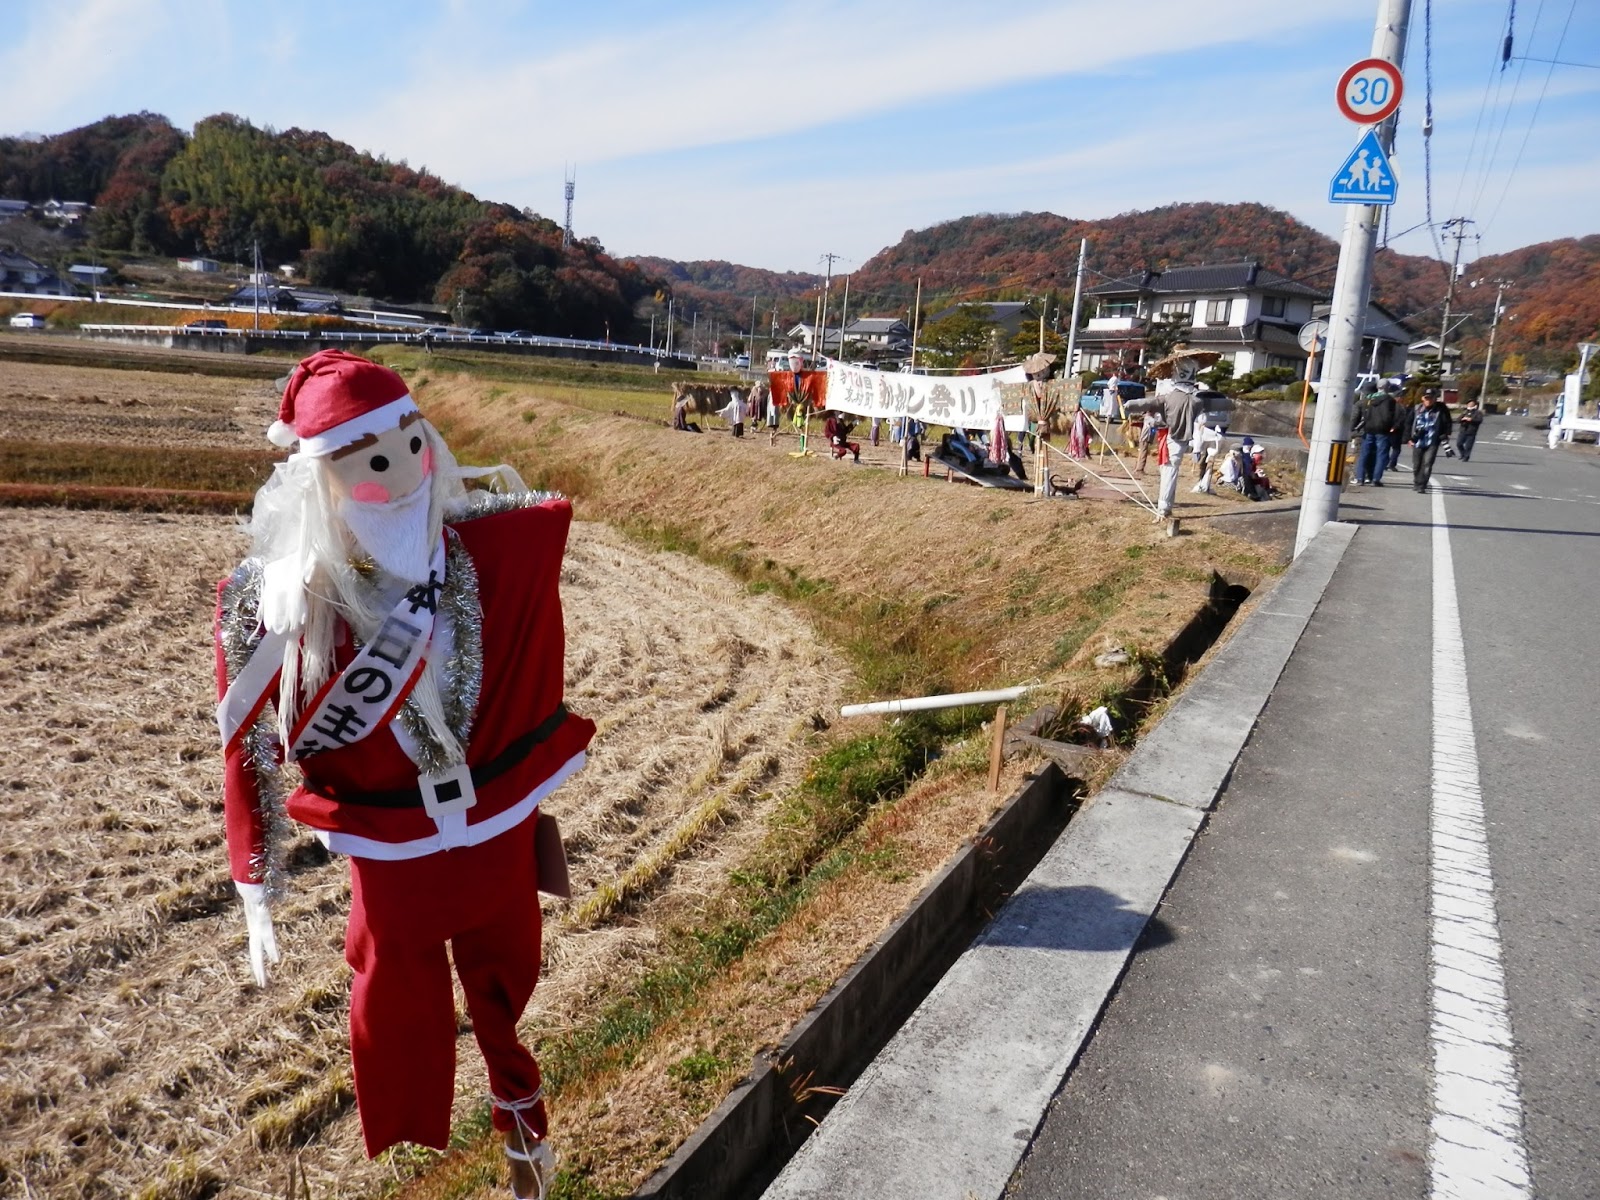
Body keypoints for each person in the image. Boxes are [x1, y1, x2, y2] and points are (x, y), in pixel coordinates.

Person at [214, 350, 594, 1199]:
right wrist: (254, 880)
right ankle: (412, 1139)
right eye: (369, 460)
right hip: (389, 845)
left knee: (504, 985)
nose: (403, 469)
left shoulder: (487, 550)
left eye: (410, 444)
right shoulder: (279, 605)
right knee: (395, 998)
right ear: (322, 484)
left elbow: (545, 511)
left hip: (497, 823)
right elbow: (246, 741)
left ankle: (525, 1137)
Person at [1126, 375, 1200, 519]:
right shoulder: (1197, 399)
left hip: (1172, 436)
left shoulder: (1171, 397)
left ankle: (1163, 508)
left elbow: (1146, 404)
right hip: (1181, 438)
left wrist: (1129, 405)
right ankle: (1167, 506)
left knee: (1169, 470)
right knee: (1171, 470)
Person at [1353, 383, 1397, 486]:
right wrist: (1390, 426)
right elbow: (1392, 415)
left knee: (1364, 454)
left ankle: (1360, 478)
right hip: (1382, 430)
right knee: (1381, 455)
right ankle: (1375, 479)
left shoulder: (1370, 399)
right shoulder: (1390, 400)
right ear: (1388, 387)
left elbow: (1366, 414)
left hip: (1369, 428)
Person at [1409, 389, 1453, 492]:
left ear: (1435, 399)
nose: (1428, 400)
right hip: (1418, 440)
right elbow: (1408, 423)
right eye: (1426, 398)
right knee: (1416, 465)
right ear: (1422, 398)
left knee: (1427, 464)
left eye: (1431, 398)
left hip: (1432, 441)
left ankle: (1422, 485)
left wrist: (1446, 433)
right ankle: (1417, 481)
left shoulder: (1441, 409)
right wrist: (1408, 438)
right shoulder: (1417, 409)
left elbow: (1447, 422)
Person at [1388, 390, 1414, 472]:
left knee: (1386, 448)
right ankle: (1391, 464)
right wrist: (1395, 427)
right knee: (1396, 449)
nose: (1403, 398)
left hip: (1388, 429)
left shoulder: (1389, 406)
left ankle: (1386, 464)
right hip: (1396, 430)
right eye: (1402, 397)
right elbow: (1402, 419)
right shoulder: (1400, 407)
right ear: (1399, 398)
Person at [1455, 397, 1484, 461]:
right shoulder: (1465, 412)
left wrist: (1471, 420)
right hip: (1463, 430)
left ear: (1475, 405)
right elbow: (1458, 420)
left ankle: (1466, 457)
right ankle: (1462, 454)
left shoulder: (1478, 412)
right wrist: (1462, 419)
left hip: (1471, 431)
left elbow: (1480, 420)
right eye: (1469, 403)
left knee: (1468, 446)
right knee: (1459, 443)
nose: (1470, 404)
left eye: (1472, 403)